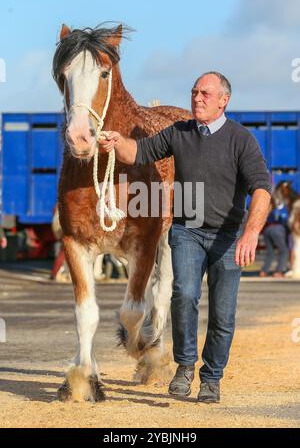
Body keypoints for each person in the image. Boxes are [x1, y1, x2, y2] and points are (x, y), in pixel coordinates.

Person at [99, 72, 272, 403]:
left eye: (206, 93)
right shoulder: (179, 133)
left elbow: (261, 189)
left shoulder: (241, 139)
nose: (197, 98)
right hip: (188, 229)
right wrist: (116, 141)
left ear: (224, 100)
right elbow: (138, 152)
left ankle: (211, 378)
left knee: (222, 314)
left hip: (228, 236)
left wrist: (251, 233)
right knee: (184, 297)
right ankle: (183, 368)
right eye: (194, 92)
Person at [259, 197, 289, 278]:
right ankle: (278, 271)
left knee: (270, 252)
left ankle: (263, 271)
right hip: (278, 229)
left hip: (267, 229)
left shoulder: (272, 209)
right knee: (284, 251)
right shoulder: (285, 209)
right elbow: (286, 222)